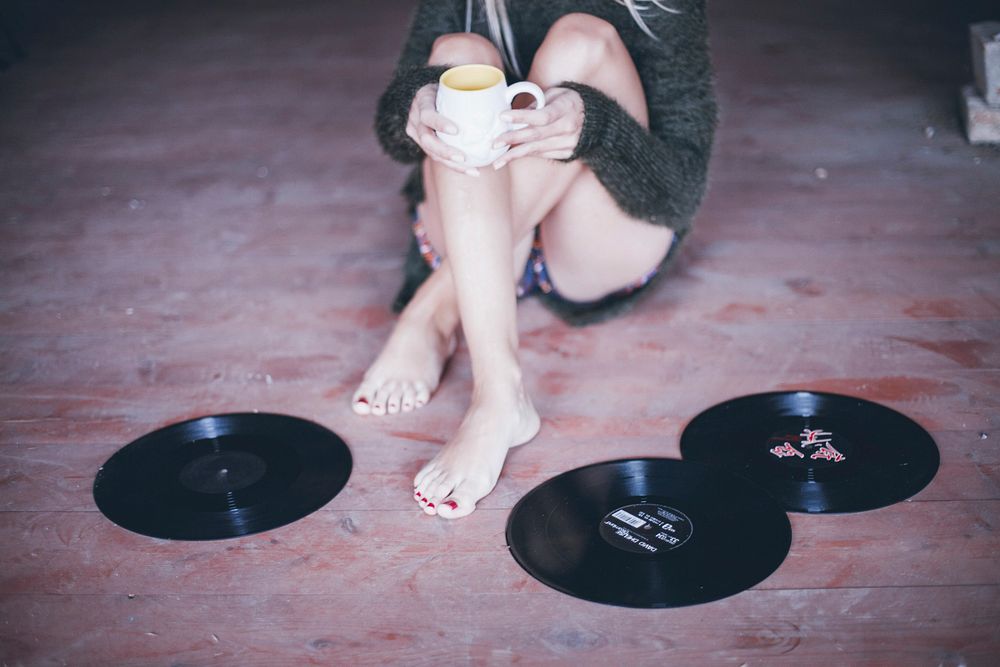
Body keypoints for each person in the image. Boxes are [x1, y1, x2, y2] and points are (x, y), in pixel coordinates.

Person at [353, 0, 716, 519]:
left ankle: (435, 309)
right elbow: (395, 139)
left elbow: (677, 196)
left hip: (593, 246)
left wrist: (593, 125)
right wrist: (413, 103)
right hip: (466, 213)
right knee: (459, 57)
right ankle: (500, 394)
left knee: (583, 41)